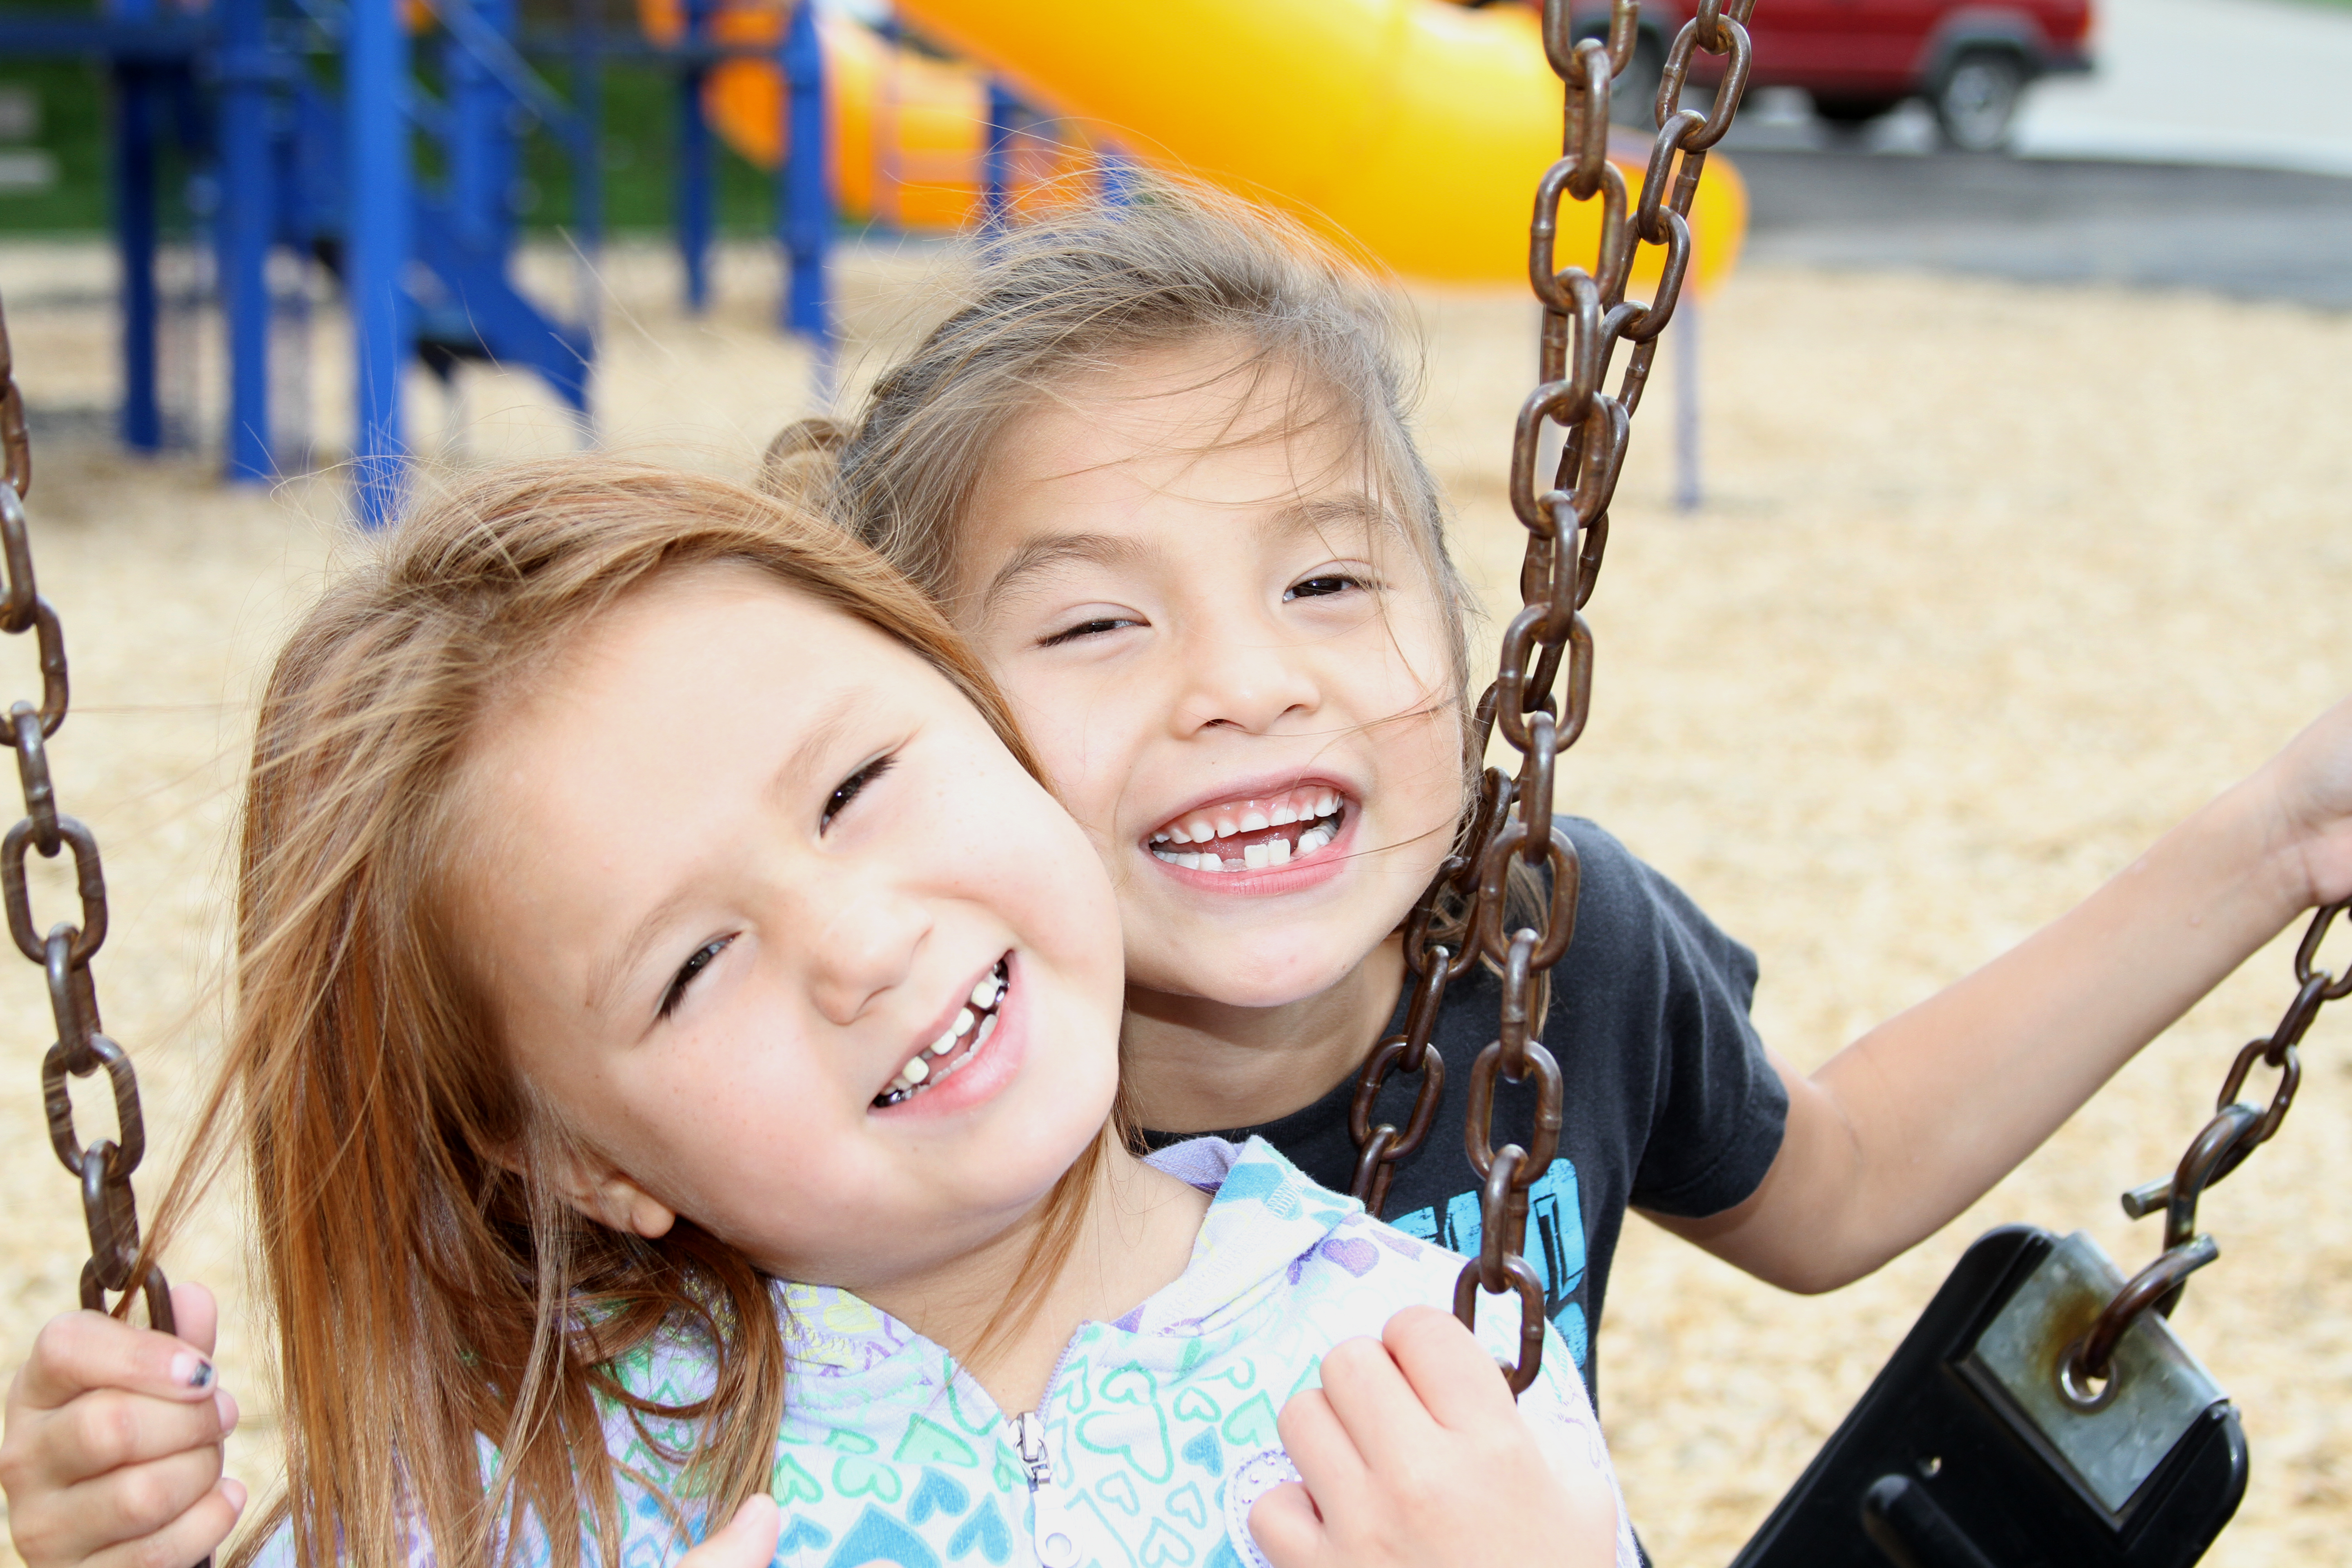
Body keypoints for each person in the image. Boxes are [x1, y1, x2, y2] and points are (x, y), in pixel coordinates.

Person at [765, 179, 2352, 1403]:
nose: (1249, 683)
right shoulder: (908, 1103)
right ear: (932, 718)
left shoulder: (1547, 951)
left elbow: (1841, 1183)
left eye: (1326, 580)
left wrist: (2286, 831)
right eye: (1101, 622)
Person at [0, 462, 1634, 1568]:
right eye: (693, 966)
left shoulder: (1410, 1358)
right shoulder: (517, 1495)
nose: (855, 943)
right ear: (580, 1158)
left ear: (985, 717)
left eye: (858, 784)